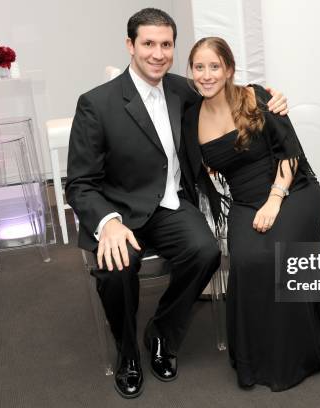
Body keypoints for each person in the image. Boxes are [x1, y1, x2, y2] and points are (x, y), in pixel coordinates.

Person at [66, 9, 288, 399]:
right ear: (130, 45)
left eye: (166, 44)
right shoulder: (96, 104)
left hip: (170, 206)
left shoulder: (183, 90)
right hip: (120, 213)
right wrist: (109, 223)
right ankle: (128, 353)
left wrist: (269, 96)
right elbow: (80, 183)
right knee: (117, 269)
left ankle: (161, 333)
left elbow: (224, 87)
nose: (158, 53)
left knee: (204, 253)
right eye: (148, 43)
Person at [183, 37, 320, 392]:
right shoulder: (190, 118)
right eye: (199, 67)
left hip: (294, 190)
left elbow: (290, 153)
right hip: (245, 203)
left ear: (229, 69)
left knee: (276, 254)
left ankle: (297, 355)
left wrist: (275, 200)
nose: (207, 74)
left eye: (215, 66)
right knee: (247, 260)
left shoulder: (257, 96)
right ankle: (256, 357)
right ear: (191, 71)